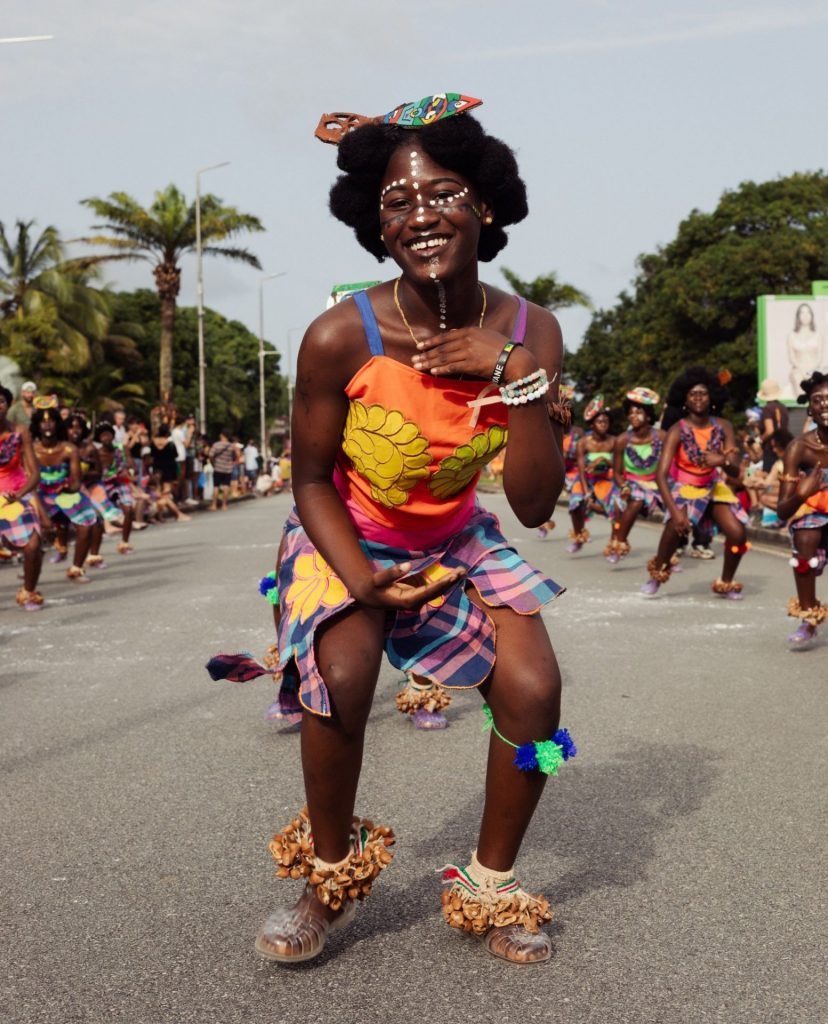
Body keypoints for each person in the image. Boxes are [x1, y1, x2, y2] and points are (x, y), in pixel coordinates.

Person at [212, 96, 576, 966]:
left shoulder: (534, 332)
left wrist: (516, 377)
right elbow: (308, 479)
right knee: (341, 675)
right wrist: (365, 583)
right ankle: (326, 880)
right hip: (349, 531)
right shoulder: (343, 334)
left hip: (455, 539)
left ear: (484, 205)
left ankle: (490, 885)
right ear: (374, 226)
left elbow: (533, 504)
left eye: (442, 193)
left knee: (534, 692)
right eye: (396, 204)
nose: (420, 216)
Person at [640, 367, 749, 599]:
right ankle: (657, 573)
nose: (698, 398)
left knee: (738, 533)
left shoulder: (724, 426)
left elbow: (735, 469)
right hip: (684, 487)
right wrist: (674, 512)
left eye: (703, 393)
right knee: (674, 527)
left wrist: (721, 460)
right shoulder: (677, 430)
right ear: (685, 400)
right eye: (693, 394)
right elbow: (660, 475)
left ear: (711, 398)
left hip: (713, 485)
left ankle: (726, 582)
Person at [776, 372, 828, 649]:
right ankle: (808, 618)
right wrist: (801, 493)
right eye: (818, 400)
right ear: (810, 407)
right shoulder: (799, 448)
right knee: (806, 539)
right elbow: (783, 510)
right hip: (814, 509)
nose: (825, 405)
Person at [30, 399, 98, 583]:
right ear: (37, 425)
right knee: (32, 535)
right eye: (43, 421)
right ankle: (30, 570)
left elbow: (76, 481)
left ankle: (76, 568)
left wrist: (68, 487)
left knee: (87, 523)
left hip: (66, 493)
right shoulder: (31, 450)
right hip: (40, 495)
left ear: (57, 423)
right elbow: (28, 479)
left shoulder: (69, 448)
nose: (47, 425)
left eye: (51, 420)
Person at [605, 387, 663, 564]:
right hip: (630, 483)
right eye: (630, 413)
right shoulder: (622, 439)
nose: (633, 416)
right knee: (630, 500)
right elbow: (617, 472)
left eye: (638, 412)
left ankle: (670, 555)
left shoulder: (662, 436)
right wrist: (624, 486)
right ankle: (619, 542)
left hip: (656, 484)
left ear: (648, 415)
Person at [0, 385, 44, 609]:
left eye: (1, 401)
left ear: (8, 405)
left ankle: (28, 591)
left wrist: (17, 495)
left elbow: (35, 474)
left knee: (33, 545)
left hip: (16, 494)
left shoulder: (20, 432)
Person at [571, 396, 616, 553]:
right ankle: (579, 536)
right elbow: (582, 469)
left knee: (616, 507)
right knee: (575, 504)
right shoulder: (583, 442)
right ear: (592, 424)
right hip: (585, 479)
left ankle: (615, 542)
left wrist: (603, 459)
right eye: (599, 422)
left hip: (604, 480)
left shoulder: (614, 441)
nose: (603, 425)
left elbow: (618, 466)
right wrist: (586, 491)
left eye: (606, 422)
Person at [150, 424, 191, 522]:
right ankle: (175, 514)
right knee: (166, 494)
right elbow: (175, 455)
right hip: (168, 470)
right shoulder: (170, 443)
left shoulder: (153, 443)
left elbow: (152, 455)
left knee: (159, 493)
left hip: (157, 470)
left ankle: (158, 516)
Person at [786, 304, 822, 399]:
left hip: (814, 369)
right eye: (802, 312)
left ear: (811, 315)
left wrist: (810, 370)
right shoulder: (792, 336)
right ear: (798, 316)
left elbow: (819, 356)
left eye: (808, 312)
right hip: (798, 370)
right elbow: (792, 357)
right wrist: (802, 370)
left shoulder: (817, 335)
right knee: (797, 377)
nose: (805, 315)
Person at [756, 379, 790, 472]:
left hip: (772, 449)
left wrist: (760, 440)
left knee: (769, 476)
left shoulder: (767, 409)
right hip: (784, 447)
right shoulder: (783, 407)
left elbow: (770, 430)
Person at [209, 429, 236, 511]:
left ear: (222, 435)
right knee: (226, 486)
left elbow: (210, 455)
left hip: (217, 468)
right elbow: (234, 457)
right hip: (228, 469)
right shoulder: (232, 446)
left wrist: (213, 463)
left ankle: (214, 505)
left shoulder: (216, 445)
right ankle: (224, 505)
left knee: (216, 486)